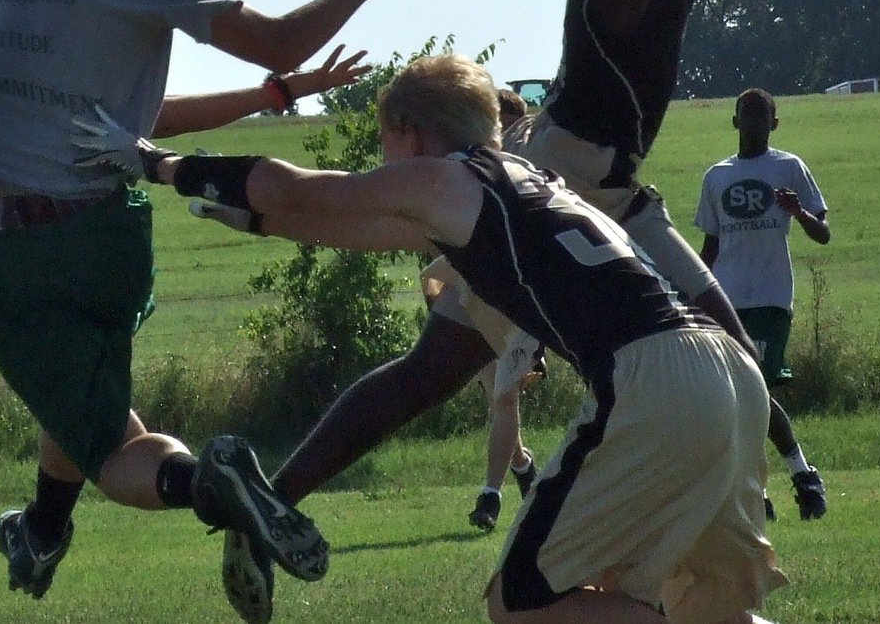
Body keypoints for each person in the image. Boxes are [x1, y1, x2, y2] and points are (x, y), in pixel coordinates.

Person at [234, 0, 880, 518]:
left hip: (608, 183)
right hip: (558, 177)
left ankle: (722, 510)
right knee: (436, 367)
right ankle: (271, 497)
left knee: (731, 351)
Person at [74, 53, 787, 624]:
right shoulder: (522, 177)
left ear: (411, 131)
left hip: (652, 377)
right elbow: (340, 221)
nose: (387, 162)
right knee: (706, 606)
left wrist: (154, 163)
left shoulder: (445, 178)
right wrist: (256, 218)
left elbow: (294, 189)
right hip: (724, 370)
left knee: (524, 600)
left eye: (388, 143)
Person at [0, 0, 414, 623]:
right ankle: (43, 530)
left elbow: (266, 52)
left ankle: (209, 484)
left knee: (118, 450)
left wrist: (287, 74)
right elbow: (255, 55)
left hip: (8, 245)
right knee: (83, 400)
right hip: (103, 235)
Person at [695, 88, 832, 521]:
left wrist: (800, 213)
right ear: (735, 122)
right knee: (737, 396)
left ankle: (798, 477)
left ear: (775, 124)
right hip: (727, 300)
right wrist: (691, 290)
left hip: (772, 296)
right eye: (746, 117)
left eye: (762, 118)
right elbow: (711, 245)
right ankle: (765, 489)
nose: (753, 125)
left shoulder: (788, 169)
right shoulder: (717, 176)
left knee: (757, 392)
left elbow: (823, 232)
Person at [464, 87, 541, 531]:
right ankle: (525, 470)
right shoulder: (473, 175)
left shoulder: (527, 177)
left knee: (505, 394)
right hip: (479, 305)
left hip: (519, 306)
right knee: (499, 398)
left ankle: (489, 498)